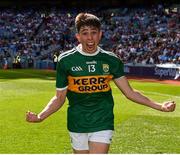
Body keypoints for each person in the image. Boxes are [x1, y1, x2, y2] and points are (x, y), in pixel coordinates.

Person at [26, 13, 176, 154]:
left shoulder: (111, 60)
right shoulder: (66, 61)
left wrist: (160, 106)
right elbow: (59, 98)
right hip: (77, 122)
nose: (90, 37)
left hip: (102, 120)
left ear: (100, 34)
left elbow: (130, 92)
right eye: (85, 33)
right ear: (78, 36)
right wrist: (40, 116)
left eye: (94, 32)